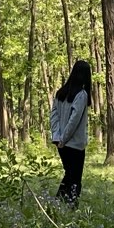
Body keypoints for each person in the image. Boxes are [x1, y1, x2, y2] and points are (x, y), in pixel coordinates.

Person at [47, 60, 92, 205]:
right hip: (74, 144)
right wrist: (63, 139)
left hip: (62, 143)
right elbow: (74, 120)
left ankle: (57, 203)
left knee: (69, 175)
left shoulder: (61, 92)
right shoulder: (81, 95)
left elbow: (53, 116)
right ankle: (71, 206)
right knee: (75, 179)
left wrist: (57, 136)